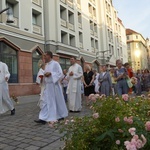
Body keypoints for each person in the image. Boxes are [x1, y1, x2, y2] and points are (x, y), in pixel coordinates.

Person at [34, 51, 68, 125]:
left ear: (49, 56)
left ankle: (60, 116)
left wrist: (51, 74)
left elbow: (60, 74)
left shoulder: (55, 63)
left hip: (54, 86)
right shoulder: (46, 65)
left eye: (45, 56)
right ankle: (43, 118)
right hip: (48, 86)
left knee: (57, 101)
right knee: (45, 102)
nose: (44, 57)